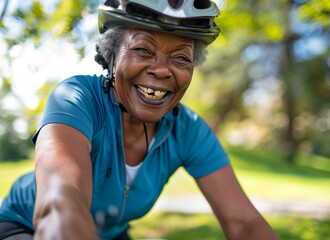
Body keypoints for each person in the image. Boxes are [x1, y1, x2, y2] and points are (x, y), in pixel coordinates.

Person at [0, 0, 280, 239]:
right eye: (143, 50)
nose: (161, 70)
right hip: (26, 223)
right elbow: (60, 200)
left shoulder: (187, 129)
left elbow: (244, 222)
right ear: (111, 55)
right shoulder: (76, 99)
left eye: (181, 57)